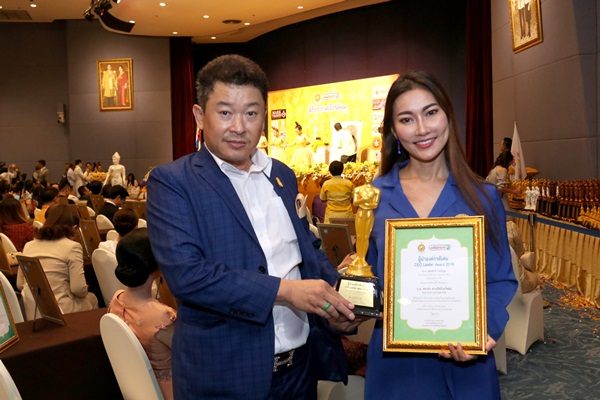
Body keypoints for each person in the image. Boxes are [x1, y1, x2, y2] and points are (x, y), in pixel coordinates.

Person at [146, 54, 358, 399]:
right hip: (224, 377)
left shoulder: (282, 175)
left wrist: (339, 299)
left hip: (300, 372)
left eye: (251, 113)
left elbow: (306, 251)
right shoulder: (173, 182)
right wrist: (286, 291)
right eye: (225, 112)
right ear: (199, 115)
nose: (239, 127)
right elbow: (188, 276)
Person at [364, 71, 517, 399]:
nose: (421, 129)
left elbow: (501, 279)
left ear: (447, 115)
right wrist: (350, 288)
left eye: (431, 112)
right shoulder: (374, 196)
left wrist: (484, 330)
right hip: (397, 366)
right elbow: (372, 278)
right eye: (407, 119)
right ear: (393, 130)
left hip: (466, 366)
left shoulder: (483, 196)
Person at [108, 228, 176, 400]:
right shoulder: (162, 316)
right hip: (173, 391)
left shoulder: (116, 300)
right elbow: (194, 352)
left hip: (139, 389)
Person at [17, 204, 98, 317]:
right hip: (61, 309)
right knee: (92, 298)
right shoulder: (72, 247)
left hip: (33, 309)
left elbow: (20, 284)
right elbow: (78, 289)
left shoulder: (29, 245)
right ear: (73, 227)